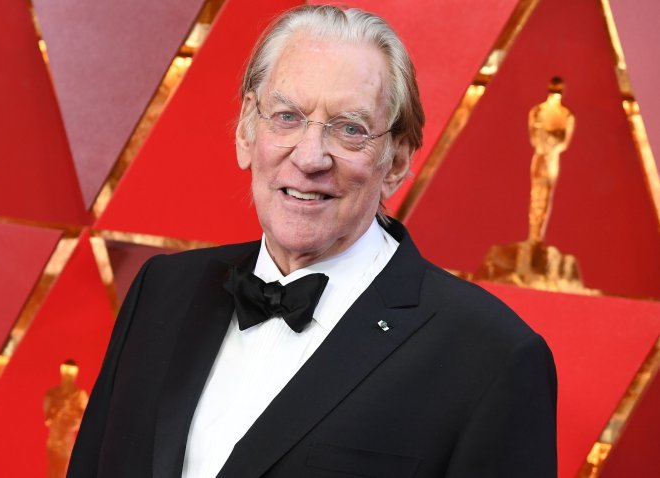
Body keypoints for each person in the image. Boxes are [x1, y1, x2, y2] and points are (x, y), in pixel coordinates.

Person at [68, 5, 557, 477]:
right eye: (287, 116)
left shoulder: (490, 358)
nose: (310, 157)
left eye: (350, 129)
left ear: (398, 161)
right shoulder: (162, 290)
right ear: (245, 130)